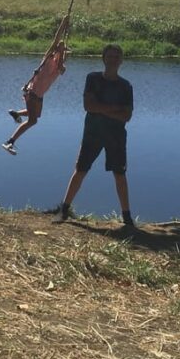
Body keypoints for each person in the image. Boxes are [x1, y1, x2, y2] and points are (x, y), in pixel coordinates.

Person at [51, 43, 135, 227]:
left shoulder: (126, 86)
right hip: (93, 134)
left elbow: (127, 116)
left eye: (116, 57)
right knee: (80, 170)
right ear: (103, 59)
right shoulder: (93, 78)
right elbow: (89, 106)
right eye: (110, 56)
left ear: (121, 61)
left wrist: (101, 109)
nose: (113, 60)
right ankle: (64, 210)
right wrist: (114, 109)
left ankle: (127, 218)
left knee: (120, 174)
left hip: (116, 137)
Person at [1, 15, 71, 155]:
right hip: (32, 93)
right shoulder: (47, 59)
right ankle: (9, 142)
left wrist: (63, 51)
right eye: (62, 52)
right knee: (33, 121)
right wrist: (64, 22)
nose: (65, 54)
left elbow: (62, 65)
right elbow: (56, 40)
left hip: (38, 95)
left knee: (36, 115)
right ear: (56, 52)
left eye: (65, 53)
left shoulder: (60, 68)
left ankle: (16, 113)